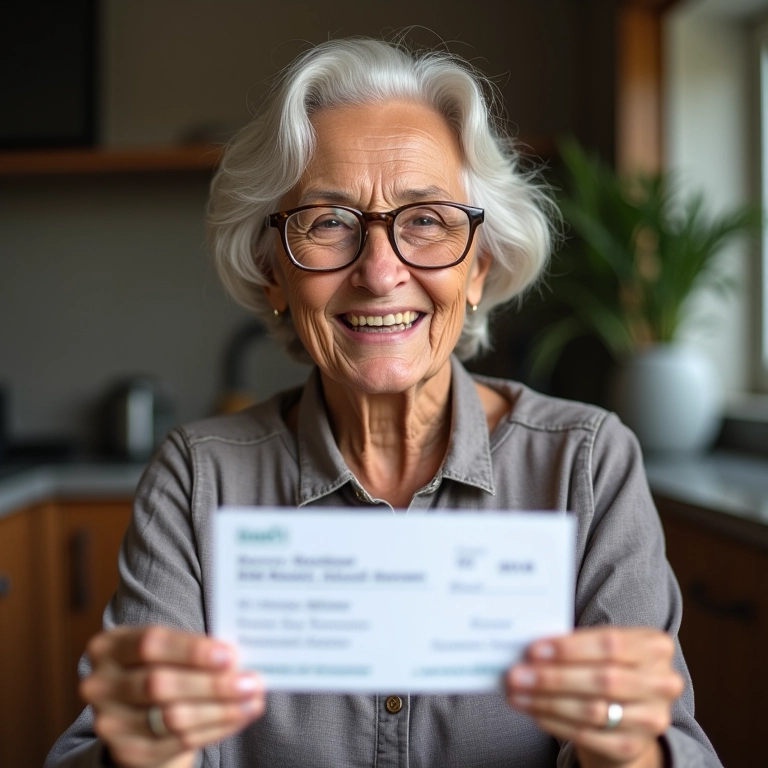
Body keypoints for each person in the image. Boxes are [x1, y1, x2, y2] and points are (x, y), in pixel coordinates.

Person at [46, 37, 722, 768]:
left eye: (426, 219)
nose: (378, 270)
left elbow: (671, 747)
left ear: (479, 266)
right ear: (274, 274)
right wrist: (144, 747)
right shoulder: (199, 476)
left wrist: (626, 747)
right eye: (328, 221)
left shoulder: (585, 463)